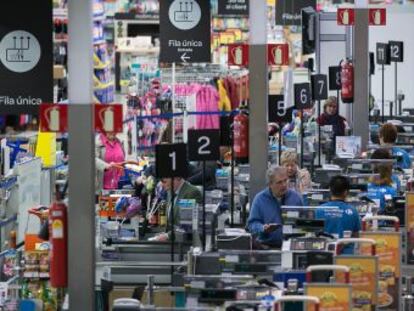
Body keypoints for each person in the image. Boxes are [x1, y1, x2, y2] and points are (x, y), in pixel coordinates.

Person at [247, 166, 303, 248]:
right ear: (270, 184)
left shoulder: (296, 197)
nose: (284, 185)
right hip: (267, 247)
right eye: (279, 182)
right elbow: (252, 224)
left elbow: (304, 220)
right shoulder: (260, 199)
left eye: (285, 180)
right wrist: (262, 228)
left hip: (292, 246)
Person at [153, 177, 202, 241]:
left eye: (164, 181)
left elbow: (187, 224)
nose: (162, 184)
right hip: (173, 241)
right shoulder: (170, 190)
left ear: (176, 178)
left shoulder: (191, 193)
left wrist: (168, 235)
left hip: (185, 242)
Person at [316, 176, 361, 240]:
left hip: (325, 249)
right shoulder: (353, 211)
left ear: (330, 190)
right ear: (346, 192)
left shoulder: (318, 210)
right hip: (347, 249)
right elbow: (356, 236)